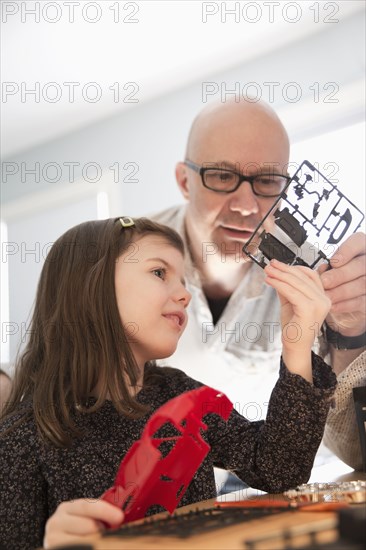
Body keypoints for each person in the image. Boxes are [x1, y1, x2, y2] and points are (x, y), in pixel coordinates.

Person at [1, 216, 336, 550]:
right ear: (89, 285)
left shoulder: (179, 393)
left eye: (184, 281)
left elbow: (280, 468)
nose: (184, 295)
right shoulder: (19, 438)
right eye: (159, 272)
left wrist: (296, 348)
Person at [151, 97, 366, 473]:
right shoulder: (121, 260)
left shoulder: (316, 274)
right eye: (221, 176)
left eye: (267, 181)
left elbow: (356, 453)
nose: (247, 205)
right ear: (184, 181)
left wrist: (351, 334)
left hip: (266, 490)